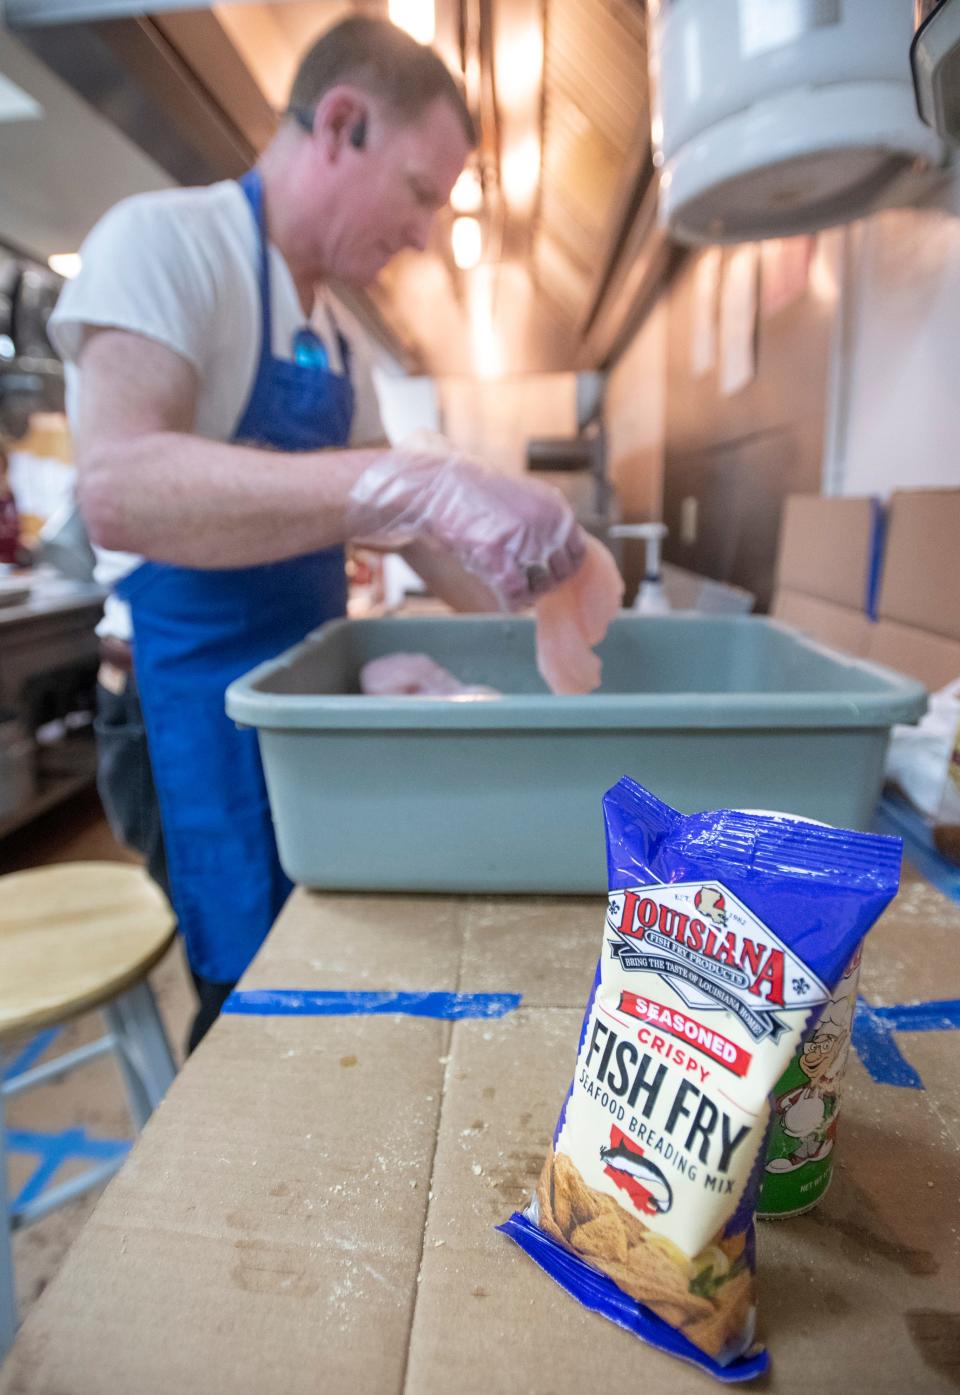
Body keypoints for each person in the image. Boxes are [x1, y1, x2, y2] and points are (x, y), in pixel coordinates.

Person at [49, 16, 587, 1051]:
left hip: (301, 705)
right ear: (340, 125)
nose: (427, 231)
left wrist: (546, 627)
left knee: (318, 954)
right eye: (423, 192)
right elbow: (119, 486)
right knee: (247, 991)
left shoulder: (336, 335)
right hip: (185, 705)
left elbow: (415, 526)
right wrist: (407, 476)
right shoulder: (166, 243)